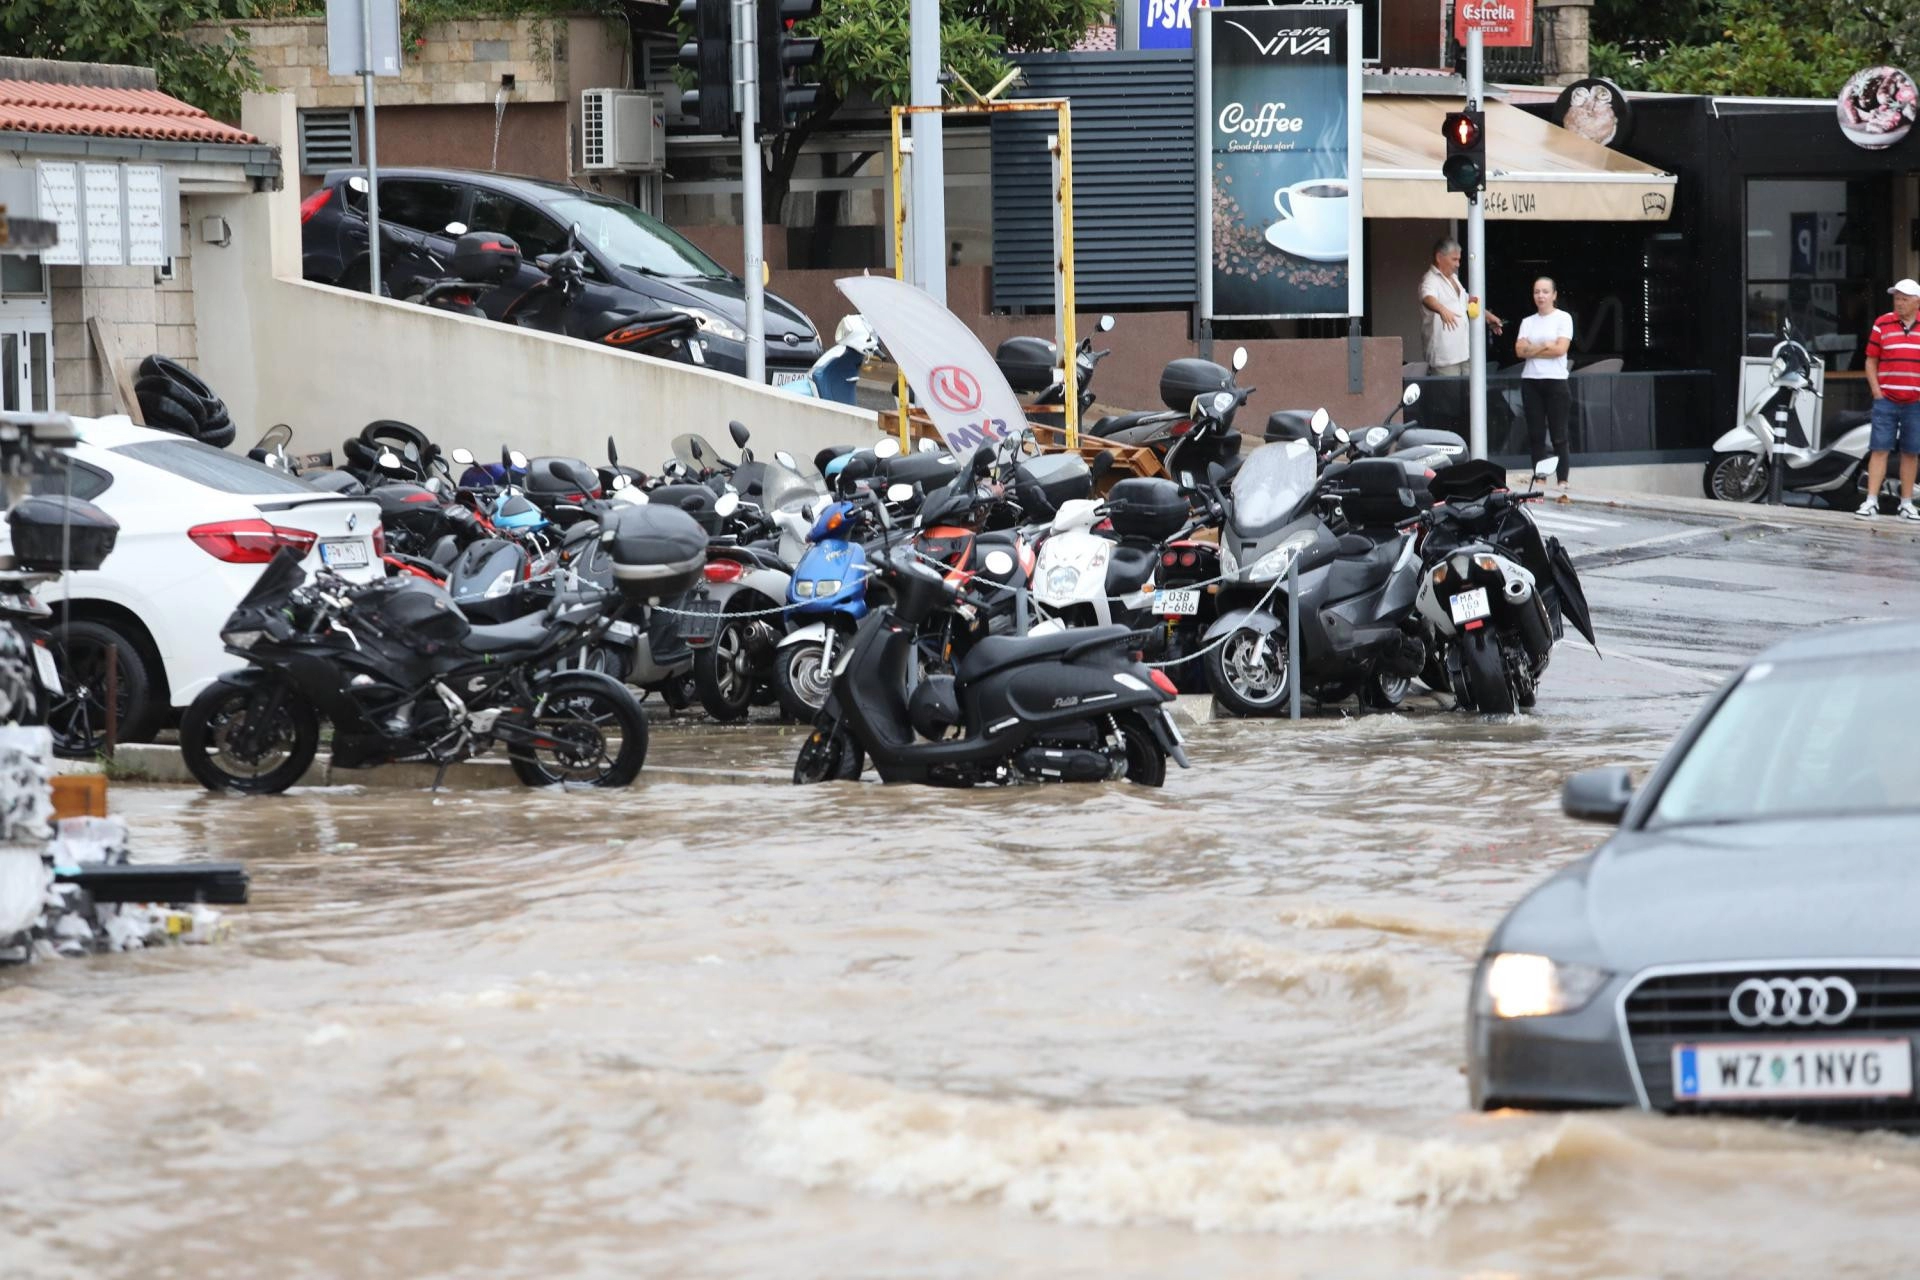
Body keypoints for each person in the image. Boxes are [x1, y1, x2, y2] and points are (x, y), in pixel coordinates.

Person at [1857, 278, 1920, 521]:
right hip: (1887, 399)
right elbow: (1870, 360)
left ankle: (1906, 504)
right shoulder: (1882, 323)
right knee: (1879, 449)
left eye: (1904, 299)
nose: (1899, 303)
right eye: (1897, 298)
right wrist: (1877, 392)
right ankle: (1870, 501)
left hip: (1915, 401)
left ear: (1917, 302)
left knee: (1910, 452)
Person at [1514, 276, 1574, 498]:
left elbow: (1560, 349)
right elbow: (1520, 351)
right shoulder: (1528, 321)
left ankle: (1562, 479)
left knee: (1559, 434)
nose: (1540, 295)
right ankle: (1539, 476)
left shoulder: (1563, 318)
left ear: (1554, 294)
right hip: (1531, 381)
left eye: (1545, 291)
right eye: (1537, 291)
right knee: (1536, 433)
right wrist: (1544, 345)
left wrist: (1534, 348)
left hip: (1556, 381)